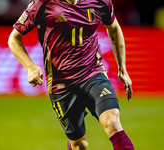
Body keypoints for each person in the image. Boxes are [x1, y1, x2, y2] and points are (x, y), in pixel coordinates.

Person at [8, 0, 134, 149]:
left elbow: (113, 28)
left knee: (113, 123)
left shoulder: (101, 2)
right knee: (79, 145)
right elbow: (14, 39)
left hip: (93, 73)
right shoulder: (42, 4)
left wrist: (123, 69)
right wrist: (30, 67)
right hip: (61, 82)